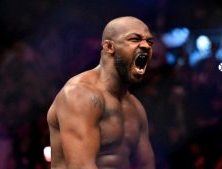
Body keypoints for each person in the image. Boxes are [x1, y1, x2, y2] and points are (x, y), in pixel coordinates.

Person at [47, 16, 155, 169]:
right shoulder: (79, 94)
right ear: (109, 47)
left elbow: (145, 166)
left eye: (149, 41)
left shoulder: (136, 108)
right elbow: (81, 166)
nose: (145, 46)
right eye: (134, 39)